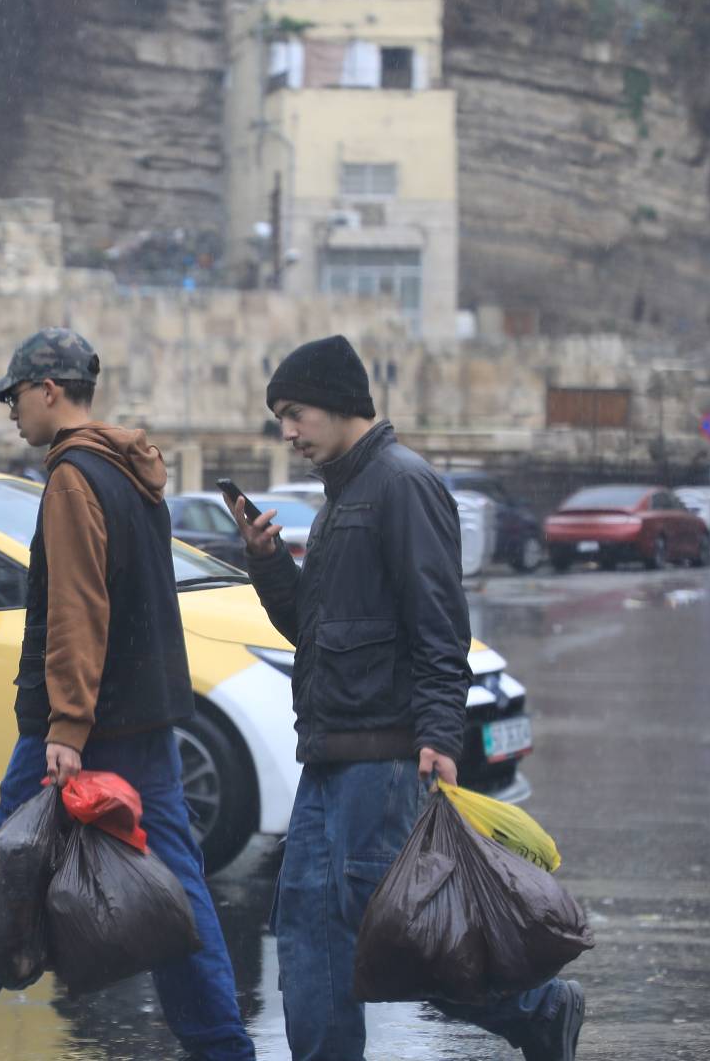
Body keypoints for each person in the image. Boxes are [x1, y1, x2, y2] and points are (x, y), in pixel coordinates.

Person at [0, 328, 255, 1061]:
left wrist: (67, 726)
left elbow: (77, 608)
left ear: (48, 391)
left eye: (15, 396)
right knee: (176, 894)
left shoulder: (74, 478)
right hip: (143, 719)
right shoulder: (129, 472)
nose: (10, 410)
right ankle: (223, 1048)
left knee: (7, 875)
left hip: (81, 726)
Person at [221, 334, 584, 1061]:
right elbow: (313, 632)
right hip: (330, 758)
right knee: (308, 934)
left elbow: (441, 626)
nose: (287, 432)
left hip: (384, 760)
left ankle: (539, 1009)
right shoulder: (342, 497)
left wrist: (440, 737)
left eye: (295, 414)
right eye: (280, 418)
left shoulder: (402, 485)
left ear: (337, 403)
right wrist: (267, 563)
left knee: (405, 930)